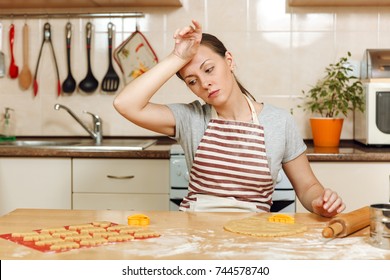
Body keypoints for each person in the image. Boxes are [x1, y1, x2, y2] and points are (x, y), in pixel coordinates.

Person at [113, 19, 345, 217]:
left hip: (252, 236)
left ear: (230, 61)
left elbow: (307, 187)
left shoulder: (279, 121)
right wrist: (177, 57)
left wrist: (319, 202)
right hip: (194, 234)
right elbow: (125, 104)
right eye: (192, 81)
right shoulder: (191, 118)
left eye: (209, 69)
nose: (204, 83)